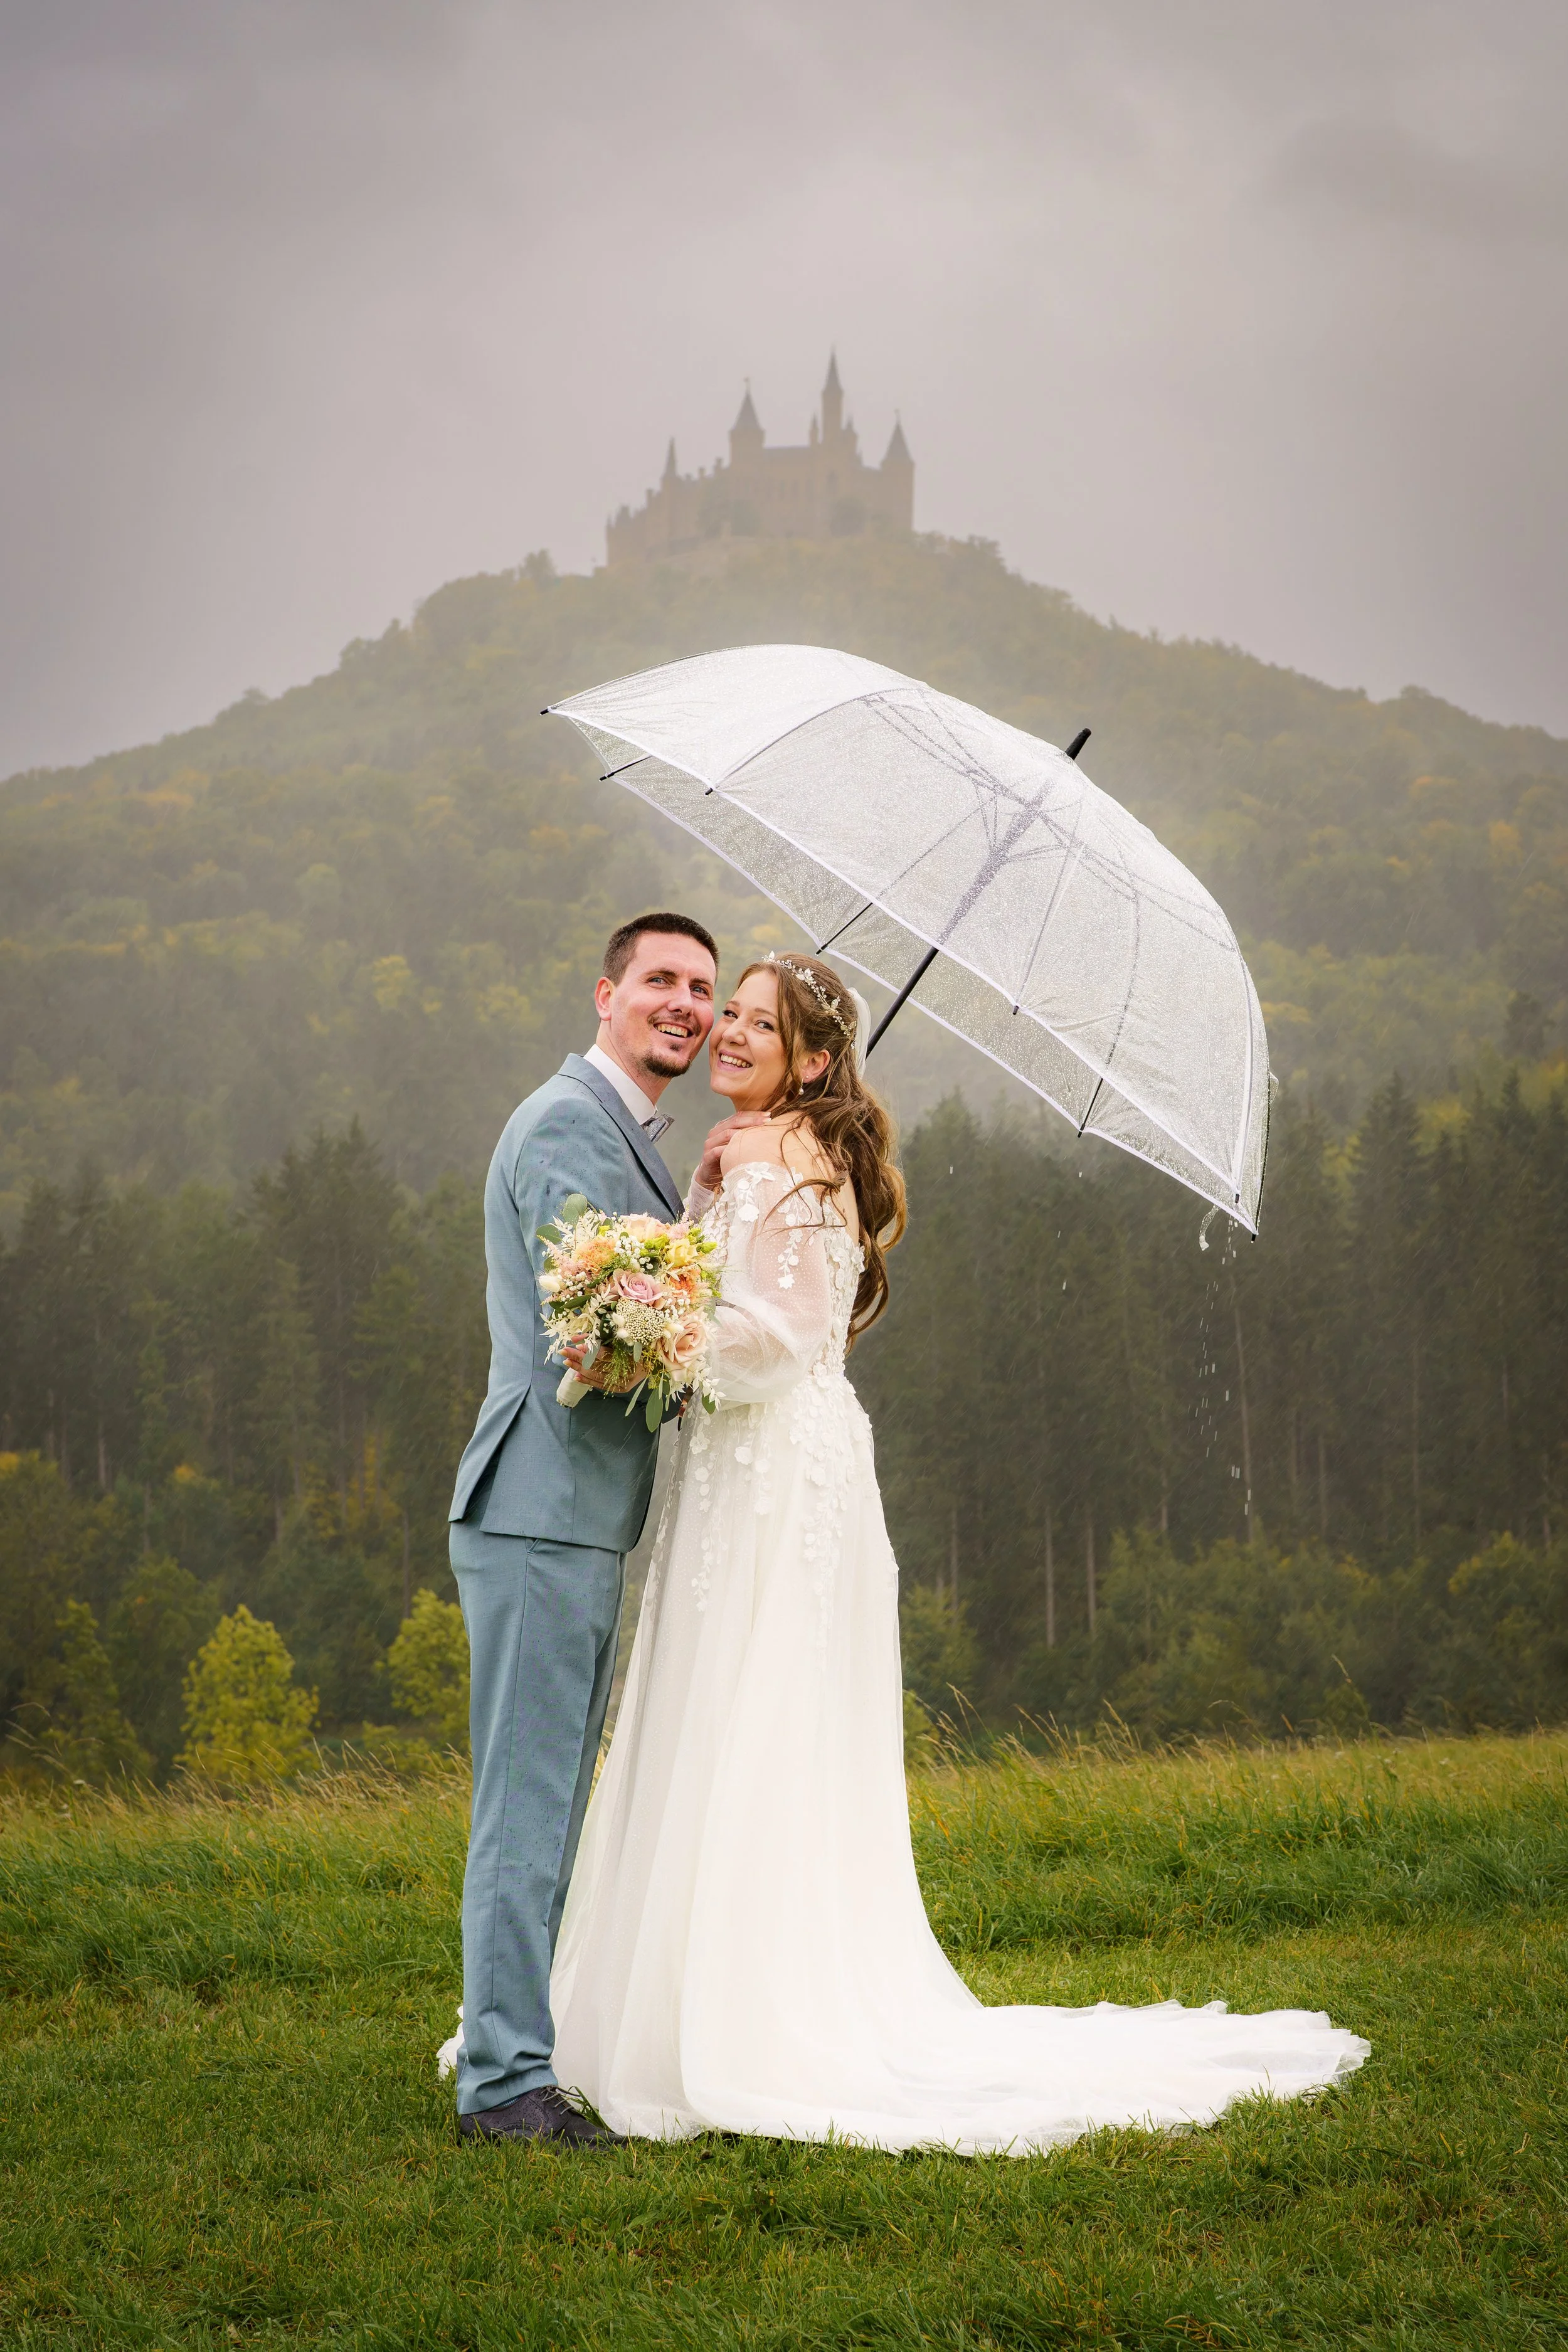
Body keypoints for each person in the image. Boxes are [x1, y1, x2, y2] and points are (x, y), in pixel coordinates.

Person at [541, 951, 1370, 2153]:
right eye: (730, 1013)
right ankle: (704, 1992)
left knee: (741, 1708)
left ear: (814, 1059)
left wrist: (656, 1330)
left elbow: (773, 1342)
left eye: (758, 1023)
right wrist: (696, 1214)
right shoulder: (775, 1153)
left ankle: (722, 2018)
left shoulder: (776, 1154)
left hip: (768, 1468)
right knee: (751, 1715)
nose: (725, 1031)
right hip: (777, 1464)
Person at [445, 910, 730, 2146]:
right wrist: (715, 1358)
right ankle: (504, 2086)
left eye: (703, 990)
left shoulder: (626, 1133)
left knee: (551, 1801)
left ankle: (518, 2057)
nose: (686, 1004)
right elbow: (595, 1330)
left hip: (569, 1515)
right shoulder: (569, 1120)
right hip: (541, 1509)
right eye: (660, 980)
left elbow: (624, 1287)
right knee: (528, 1803)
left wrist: (698, 1210)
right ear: (604, 993)